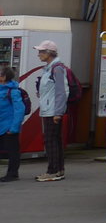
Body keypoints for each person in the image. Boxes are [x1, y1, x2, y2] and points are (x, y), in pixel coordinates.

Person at [33, 40, 68, 182]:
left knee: (50, 141)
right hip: (50, 109)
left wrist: (58, 112)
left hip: (52, 111)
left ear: (49, 53)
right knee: (55, 140)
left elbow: (61, 91)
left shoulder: (56, 68)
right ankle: (58, 170)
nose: (39, 54)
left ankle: (53, 171)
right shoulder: (50, 68)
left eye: (41, 51)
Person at [1, 67, 23, 182]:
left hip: (9, 127)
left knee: (13, 151)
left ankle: (12, 174)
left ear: (4, 77)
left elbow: (19, 110)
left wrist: (14, 128)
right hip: (2, 126)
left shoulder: (13, 91)